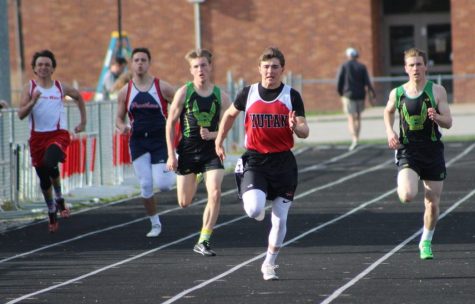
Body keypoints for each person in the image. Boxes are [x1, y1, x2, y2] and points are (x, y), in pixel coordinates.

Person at [215, 47, 309, 280]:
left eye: (275, 67)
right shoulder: (248, 93)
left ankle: (269, 263)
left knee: (279, 219)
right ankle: (249, 187)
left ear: (282, 70)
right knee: (254, 210)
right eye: (266, 67)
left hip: (283, 163)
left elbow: (305, 130)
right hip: (255, 159)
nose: (270, 71)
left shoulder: (292, 95)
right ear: (259, 69)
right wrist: (219, 140)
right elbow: (228, 115)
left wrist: (295, 127)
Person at [383, 47, 452, 260]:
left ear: (425, 67)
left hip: (432, 151)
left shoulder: (437, 91)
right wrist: (389, 131)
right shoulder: (398, 93)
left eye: (419, 64)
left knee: (432, 202)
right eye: (411, 65)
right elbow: (388, 111)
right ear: (405, 68)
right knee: (407, 195)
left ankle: (426, 241)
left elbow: (448, 122)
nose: (415, 68)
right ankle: (404, 174)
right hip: (408, 151)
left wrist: (437, 117)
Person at [166, 49, 231, 256]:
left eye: (204, 65)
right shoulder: (184, 92)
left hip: (211, 152)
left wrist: (214, 135)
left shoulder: (221, 96)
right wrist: (170, 154)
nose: (200, 69)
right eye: (196, 66)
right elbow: (170, 124)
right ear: (191, 70)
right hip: (187, 151)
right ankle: (198, 175)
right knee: (184, 202)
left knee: (215, 192)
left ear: (210, 67)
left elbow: (227, 126)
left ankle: (204, 240)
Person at [17, 49, 87, 233]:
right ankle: (52, 209)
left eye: (47, 64)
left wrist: (83, 121)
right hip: (37, 138)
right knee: (43, 178)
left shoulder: (59, 87)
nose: (43, 67)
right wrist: (32, 102)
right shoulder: (30, 88)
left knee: (51, 160)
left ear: (53, 68)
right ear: (34, 68)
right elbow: (21, 115)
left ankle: (59, 197)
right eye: (40, 64)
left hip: (58, 133)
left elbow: (79, 96)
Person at [116, 47, 176, 237]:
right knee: (145, 185)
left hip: (160, 141)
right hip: (138, 142)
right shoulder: (125, 92)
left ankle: (177, 160)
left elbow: (180, 107)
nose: (140, 63)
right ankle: (155, 223)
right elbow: (118, 118)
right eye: (136, 60)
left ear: (149, 63)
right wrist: (122, 126)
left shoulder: (163, 88)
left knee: (164, 185)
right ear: (132, 64)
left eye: (143, 60)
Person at [337, 47, 376, 151]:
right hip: (360, 95)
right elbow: (367, 82)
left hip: (348, 95)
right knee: (358, 117)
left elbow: (339, 81)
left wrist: (341, 93)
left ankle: (354, 138)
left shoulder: (344, 66)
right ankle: (357, 138)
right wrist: (372, 93)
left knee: (350, 117)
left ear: (348, 55)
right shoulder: (362, 66)